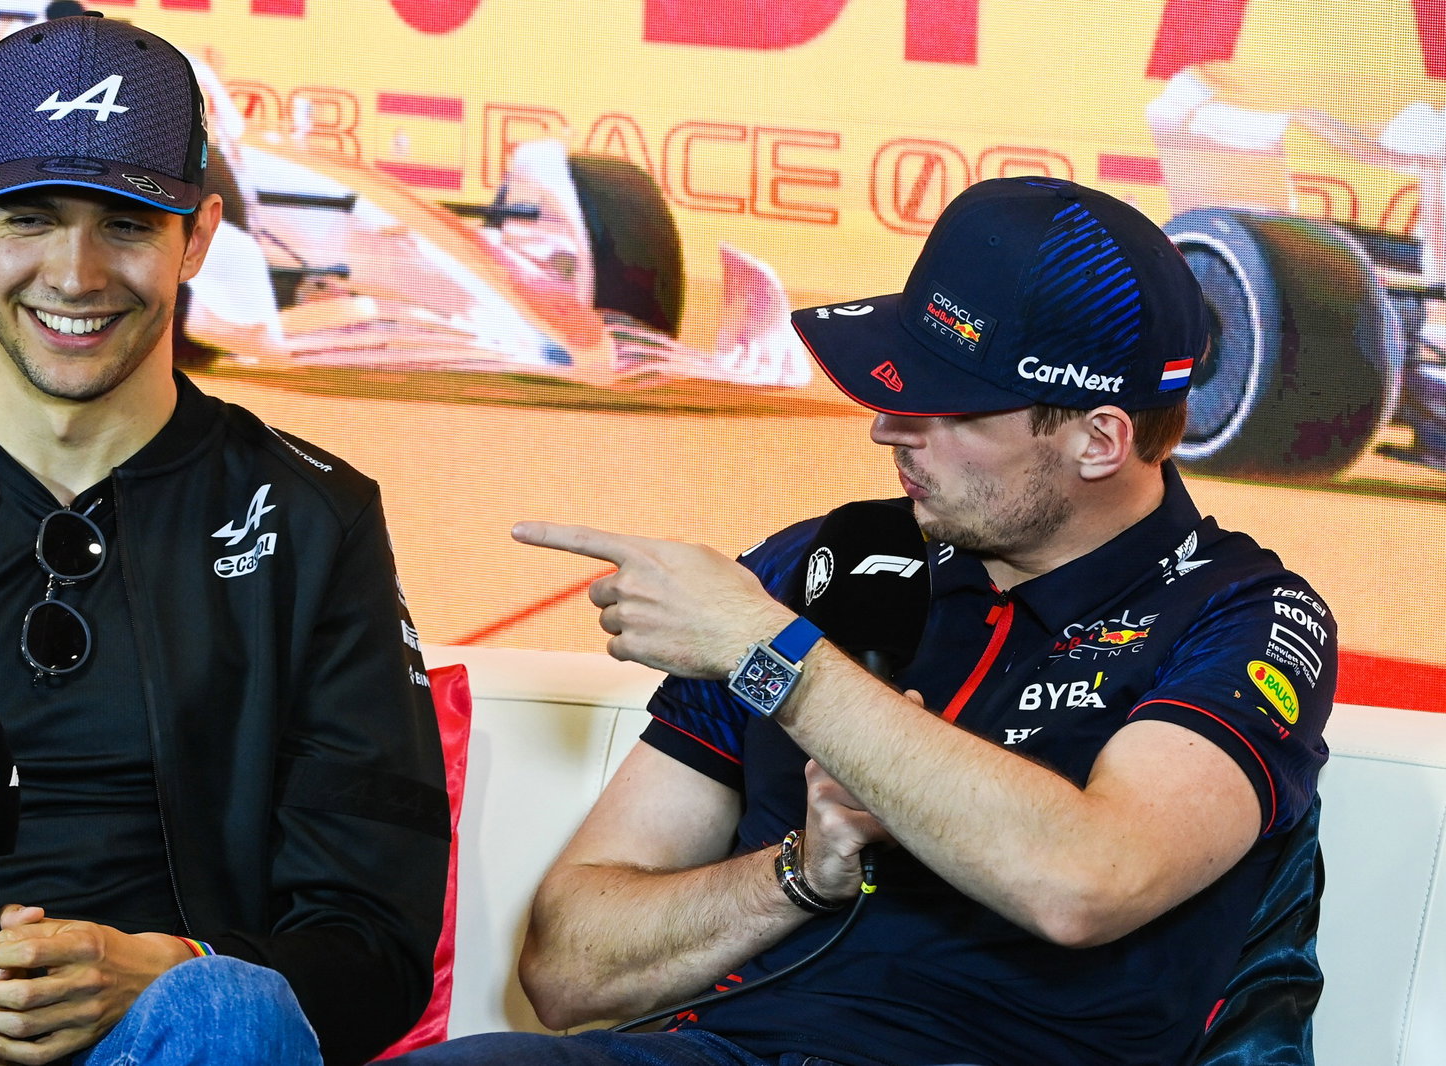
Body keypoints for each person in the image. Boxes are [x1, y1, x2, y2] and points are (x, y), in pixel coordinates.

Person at [387, 176, 1336, 1066]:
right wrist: (799, 874)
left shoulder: (1242, 611)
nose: (887, 426)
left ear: (1099, 438)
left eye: (947, 404)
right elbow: (567, 969)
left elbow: (1089, 881)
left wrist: (774, 657)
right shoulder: (814, 565)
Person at [0, 11, 447, 1066]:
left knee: (230, 1010)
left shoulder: (315, 520)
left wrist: (167, 961)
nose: (76, 276)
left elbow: (375, 944)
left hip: (172, 1039)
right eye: (30, 217)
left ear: (200, 235)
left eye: (126, 225)